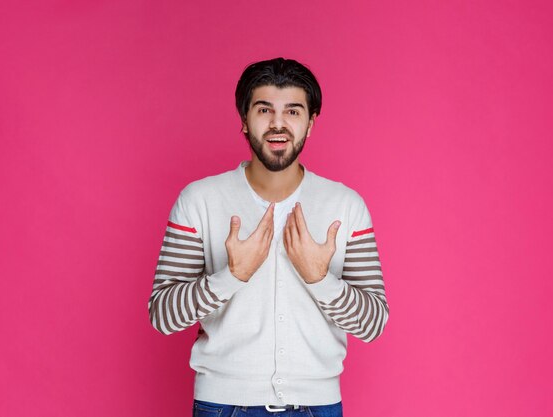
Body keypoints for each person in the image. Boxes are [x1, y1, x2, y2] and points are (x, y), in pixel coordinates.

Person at [148, 57, 389, 417]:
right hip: (222, 405)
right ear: (244, 120)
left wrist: (319, 280)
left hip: (318, 406)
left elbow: (374, 324)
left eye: (293, 111)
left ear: (311, 123)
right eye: (264, 110)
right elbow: (163, 315)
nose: (278, 124)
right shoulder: (200, 200)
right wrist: (232, 276)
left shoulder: (346, 206)